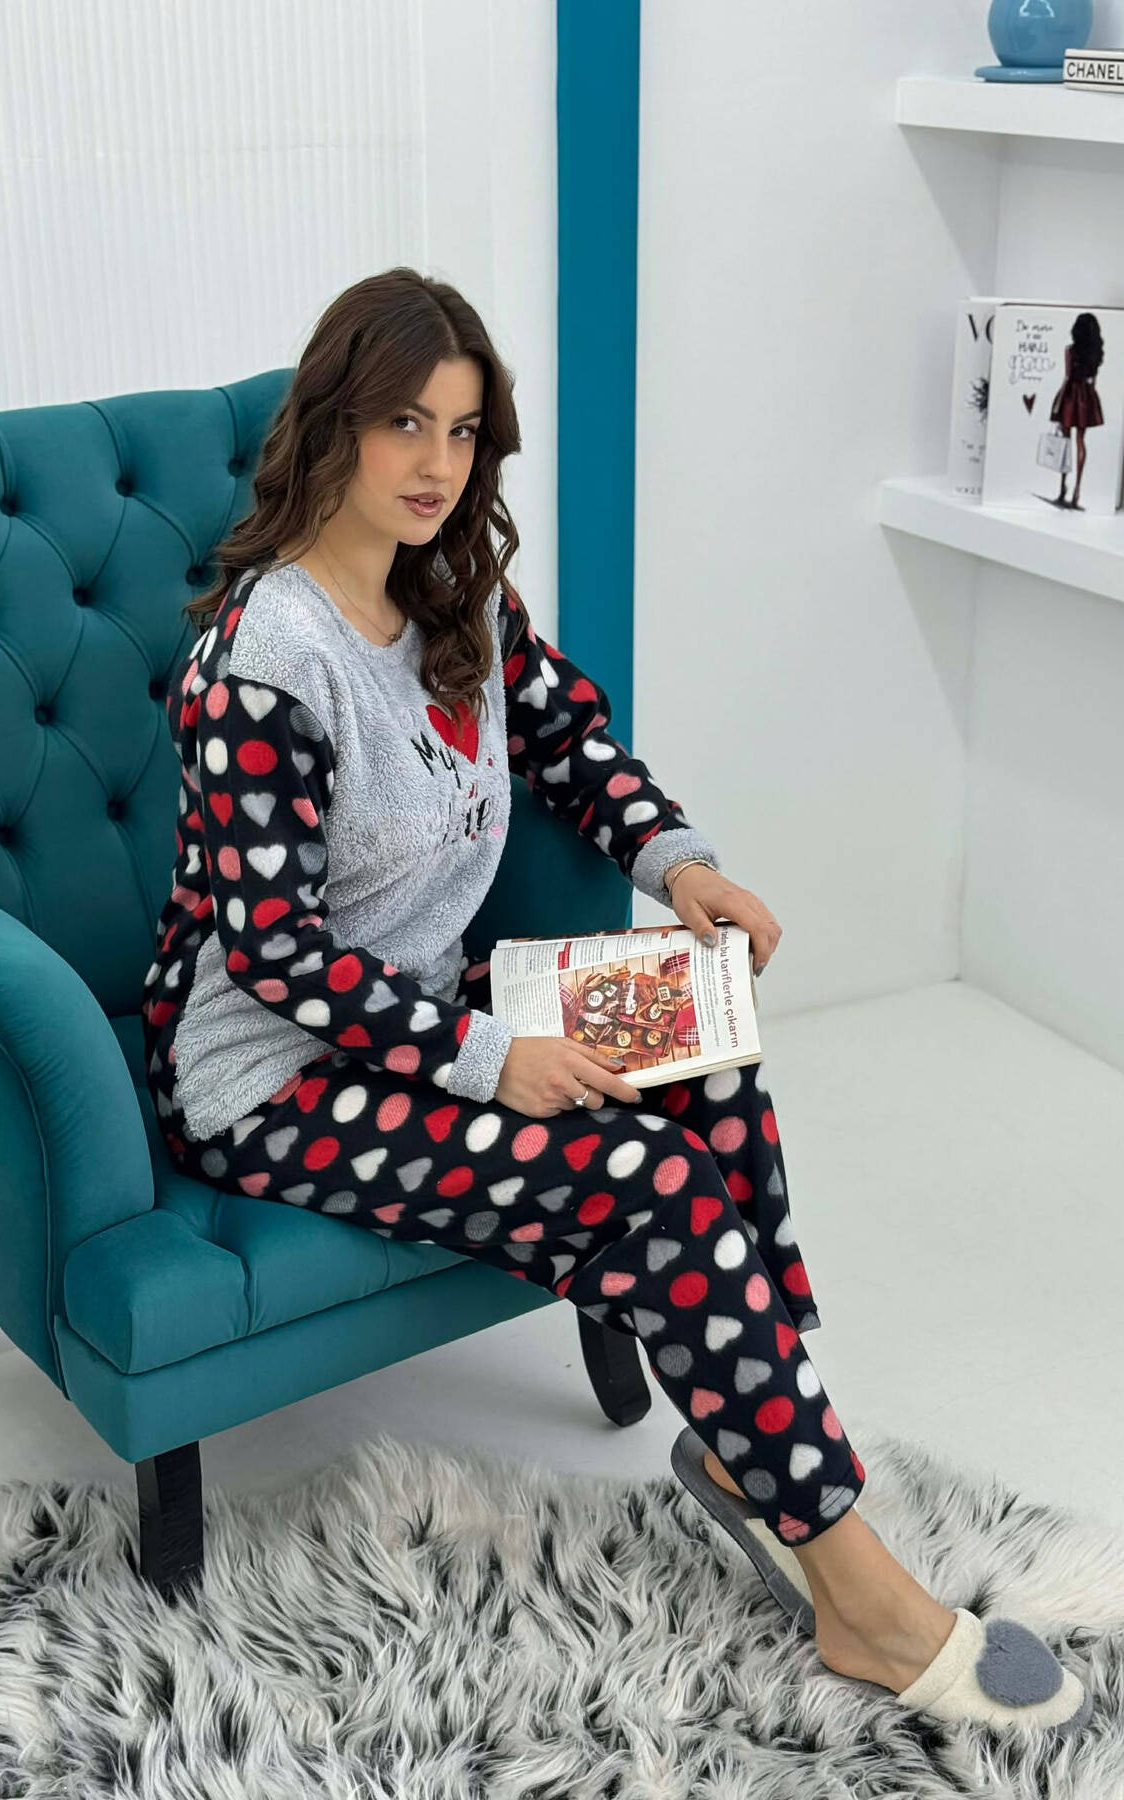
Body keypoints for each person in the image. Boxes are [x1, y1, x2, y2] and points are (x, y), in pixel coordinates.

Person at [140, 267, 1088, 1734]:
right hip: (272, 1075)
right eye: (404, 423)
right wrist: (486, 1057)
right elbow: (271, 953)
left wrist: (680, 866)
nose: (437, 465)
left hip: (424, 1008)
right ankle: (859, 1593)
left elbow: (572, 741)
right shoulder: (264, 664)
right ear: (333, 422)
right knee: (646, 1177)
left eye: (464, 431)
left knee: (704, 1043)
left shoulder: (449, 588)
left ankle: (756, 1443)